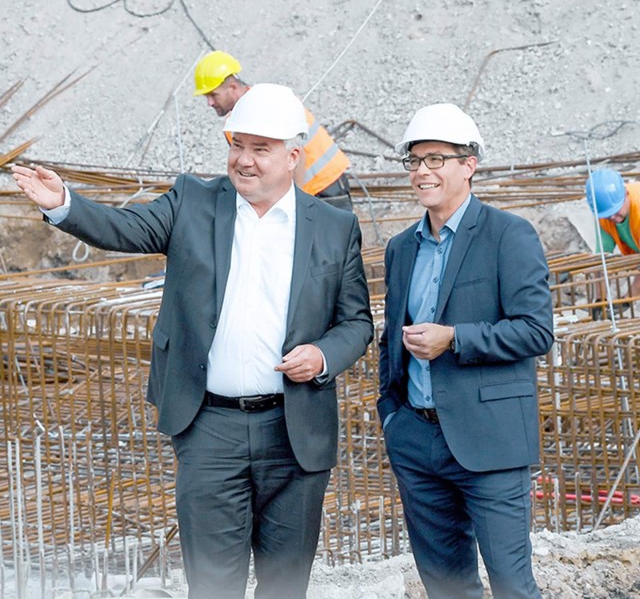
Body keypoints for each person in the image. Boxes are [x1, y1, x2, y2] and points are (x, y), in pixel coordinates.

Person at [12, 83, 373, 599]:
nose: (243, 161)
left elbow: (356, 322)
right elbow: (123, 228)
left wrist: (322, 356)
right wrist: (65, 204)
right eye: (236, 145)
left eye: (260, 149)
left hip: (296, 430)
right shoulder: (193, 201)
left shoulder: (335, 227)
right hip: (210, 428)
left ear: (293, 156)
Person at [377, 103, 554, 598]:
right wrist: (392, 415)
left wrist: (455, 338)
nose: (422, 171)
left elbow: (536, 331)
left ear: (468, 164)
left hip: (491, 443)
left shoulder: (508, 235)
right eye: (414, 160)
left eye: (436, 159)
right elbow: (392, 338)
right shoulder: (401, 248)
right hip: (417, 438)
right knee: (447, 587)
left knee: (511, 584)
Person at [193, 50, 353, 211]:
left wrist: (295, 205)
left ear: (233, 87)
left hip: (326, 187)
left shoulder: (267, 105)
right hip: (311, 191)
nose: (209, 102)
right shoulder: (238, 120)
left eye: (213, 95)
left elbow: (297, 155)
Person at [585, 167, 640, 300]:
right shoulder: (605, 215)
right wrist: (600, 300)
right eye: (608, 215)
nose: (613, 218)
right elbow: (601, 259)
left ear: (626, 195)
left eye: (616, 211)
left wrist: (627, 301)